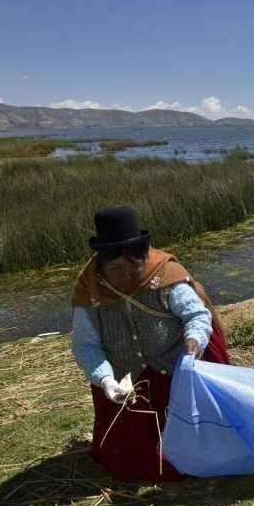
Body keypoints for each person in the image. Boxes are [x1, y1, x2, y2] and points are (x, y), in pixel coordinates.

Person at [70, 206, 230, 481]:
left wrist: (193, 343)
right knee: (134, 458)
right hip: (125, 381)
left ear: (144, 257)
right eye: (117, 268)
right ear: (102, 264)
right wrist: (105, 379)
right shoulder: (90, 292)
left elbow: (195, 315)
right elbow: (86, 345)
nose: (128, 275)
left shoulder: (165, 274)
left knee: (202, 441)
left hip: (173, 369)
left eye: (134, 266)